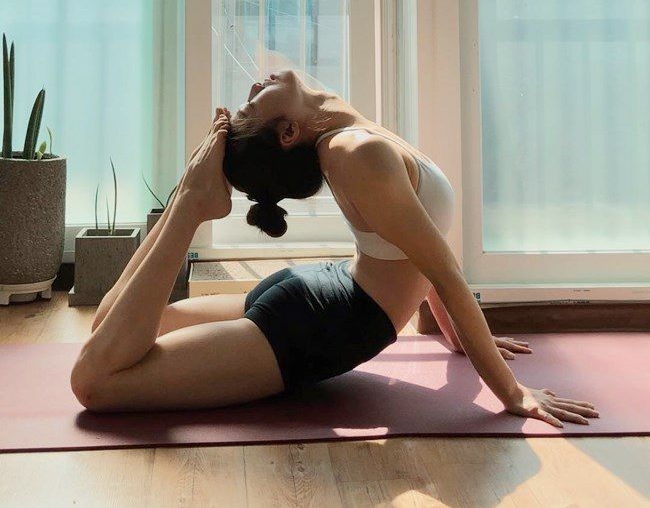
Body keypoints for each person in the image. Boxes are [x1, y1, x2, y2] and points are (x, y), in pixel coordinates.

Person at [70, 69, 598, 429]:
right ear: (288, 132)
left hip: (321, 295)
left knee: (108, 345)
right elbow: (442, 271)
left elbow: (423, 254)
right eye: (254, 103)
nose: (255, 84)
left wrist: (462, 341)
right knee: (96, 377)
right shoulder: (356, 152)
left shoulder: (353, 137)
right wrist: (512, 393)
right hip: (323, 321)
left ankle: (192, 195)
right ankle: (191, 200)